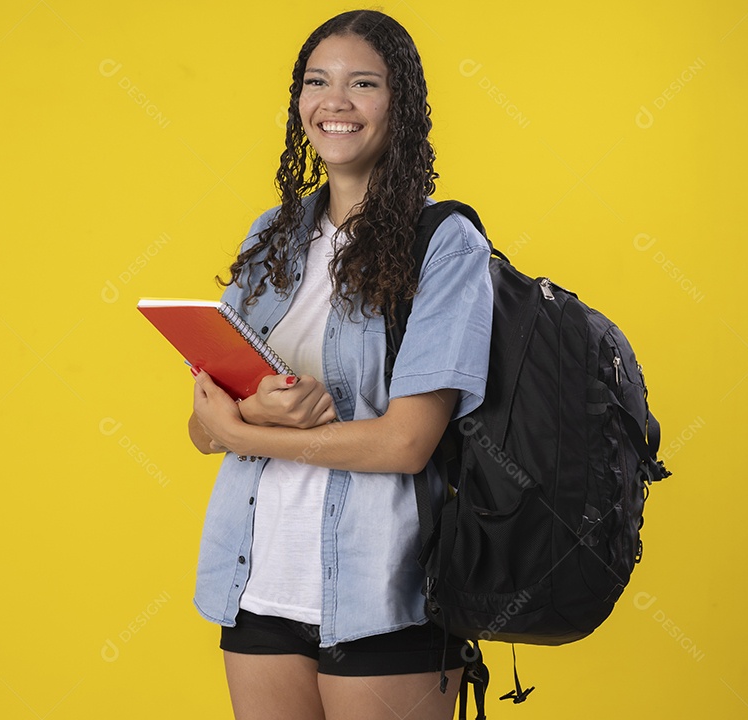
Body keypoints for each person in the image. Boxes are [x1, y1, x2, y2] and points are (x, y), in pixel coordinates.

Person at [188, 10, 493, 720]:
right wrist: (248, 412)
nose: (336, 102)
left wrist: (248, 435)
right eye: (317, 82)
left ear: (402, 103)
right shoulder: (273, 236)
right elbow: (202, 428)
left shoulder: (444, 245)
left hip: (387, 593)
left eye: (364, 83)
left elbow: (406, 443)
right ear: (298, 102)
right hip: (258, 583)